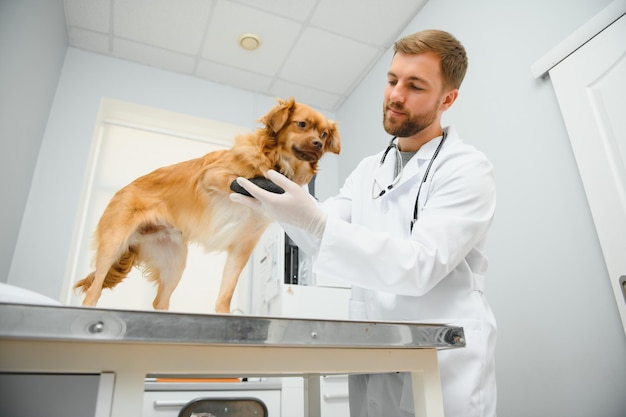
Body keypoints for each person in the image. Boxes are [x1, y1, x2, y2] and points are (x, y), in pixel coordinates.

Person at [230, 29, 497, 417]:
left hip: (442, 363)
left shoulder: (468, 169)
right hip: (376, 356)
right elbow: (323, 233)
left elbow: (421, 265)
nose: (395, 95)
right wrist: (274, 208)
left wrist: (317, 223)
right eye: (392, 80)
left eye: (415, 86)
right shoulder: (370, 170)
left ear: (447, 99)